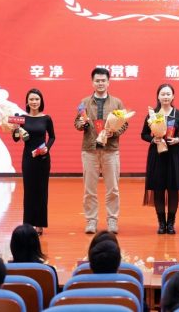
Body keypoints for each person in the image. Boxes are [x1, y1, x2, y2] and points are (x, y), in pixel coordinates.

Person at [75, 67, 130, 234]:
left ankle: (112, 220)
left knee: (113, 189)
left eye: (103, 80)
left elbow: (125, 124)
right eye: (97, 80)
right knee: (89, 189)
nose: (100, 83)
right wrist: (81, 124)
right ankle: (91, 221)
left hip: (110, 150)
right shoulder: (84, 102)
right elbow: (77, 123)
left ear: (108, 82)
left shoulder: (117, 103)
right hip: (90, 150)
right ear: (92, 82)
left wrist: (115, 131)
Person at [141, 83, 179, 235]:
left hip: (174, 155)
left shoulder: (178, 114)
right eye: (163, 94)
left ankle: (171, 223)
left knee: (173, 189)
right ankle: (161, 223)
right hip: (157, 155)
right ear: (158, 96)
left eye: (168, 94)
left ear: (173, 96)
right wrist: (152, 139)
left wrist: (178, 139)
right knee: (158, 189)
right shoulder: (152, 115)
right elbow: (144, 134)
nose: (166, 97)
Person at [12, 88, 56, 235]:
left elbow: (52, 137)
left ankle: (40, 224)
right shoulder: (21, 118)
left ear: (41, 101)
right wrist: (15, 130)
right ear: (27, 102)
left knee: (42, 191)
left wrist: (47, 148)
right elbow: (16, 139)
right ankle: (28, 224)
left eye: (37, 99)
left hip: (42, 158)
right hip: (28, 159)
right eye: (31, 99)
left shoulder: (46, 118)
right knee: (29, 191)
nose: (34, 102)